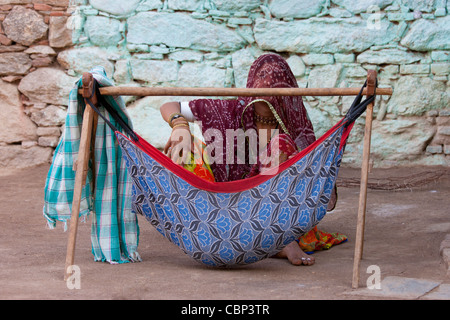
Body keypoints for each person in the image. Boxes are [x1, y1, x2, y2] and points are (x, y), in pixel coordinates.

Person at [160, 53, 344, 266]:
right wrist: (179, 126)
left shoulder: (292, 122)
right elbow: (169, 105)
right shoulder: (229, 110)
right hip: (228, 201)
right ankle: (204, 225)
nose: (269, 85)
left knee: (282, 144)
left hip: (274, 211)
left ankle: (280, 239)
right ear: (252, 83)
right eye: (264, 77)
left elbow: (310, 177)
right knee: (185, 147)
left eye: (277, 81)